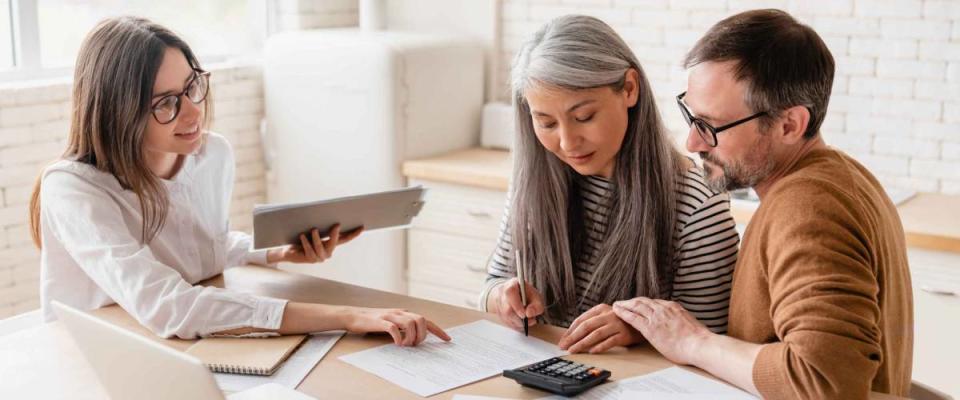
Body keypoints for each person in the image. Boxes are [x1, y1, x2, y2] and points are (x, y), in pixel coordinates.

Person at [29, 16, 450, 346]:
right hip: (91, 352)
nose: (194, 112)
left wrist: (275, 252)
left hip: (177, 345)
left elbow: (198, 252)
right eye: (167, 104)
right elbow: (168, 305)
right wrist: (346, 317)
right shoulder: (74, 189)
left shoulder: (211, 155)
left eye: (192, 86)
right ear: (117, 112)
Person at [612, 9, 913, 399]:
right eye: (692, 115)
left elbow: (822, 383)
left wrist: (693, 342)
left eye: (712, 126)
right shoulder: (843, 177)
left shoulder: (807, 209)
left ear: (790, 125)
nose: (693, 143)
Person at [479, 15, 740, 354]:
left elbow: (711, 340)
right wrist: (503, 297)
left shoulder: (697, 204)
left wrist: (639, 329)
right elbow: (491, 285)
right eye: (545, 123)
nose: (568, 142)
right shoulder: (533, 182)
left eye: (584, 117)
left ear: (629, 89)